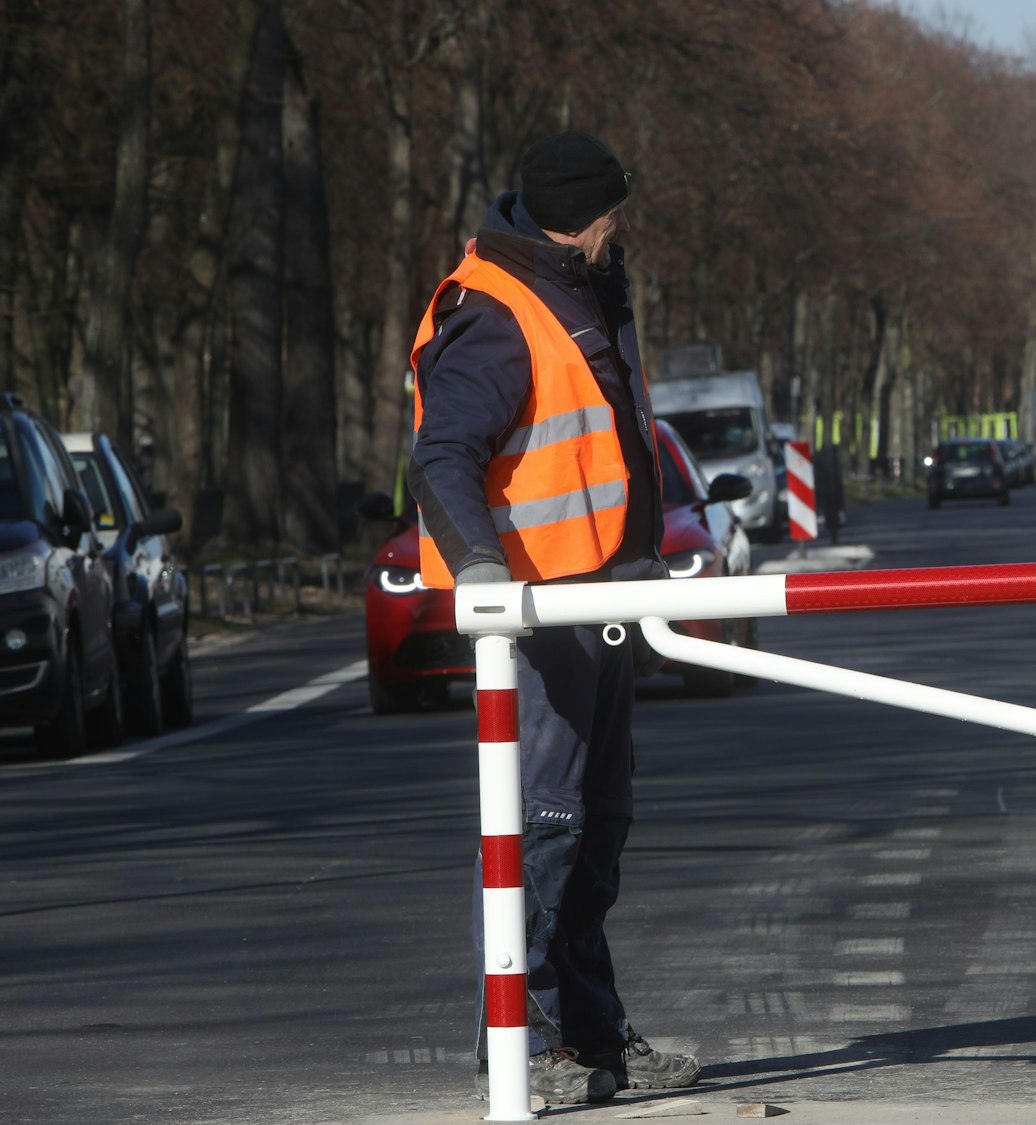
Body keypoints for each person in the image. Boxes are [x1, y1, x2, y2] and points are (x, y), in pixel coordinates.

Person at [407, 131, 699, 1104]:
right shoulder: (495, 307)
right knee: (547, 824)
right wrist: (487, 578)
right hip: (541, 609)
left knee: (598, 824)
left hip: (605, 596)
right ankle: (519, 1043)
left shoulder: (581, 285)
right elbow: (441, 454)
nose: (623, 229)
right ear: (582, 217)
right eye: (614, 213)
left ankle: (589, 1034)